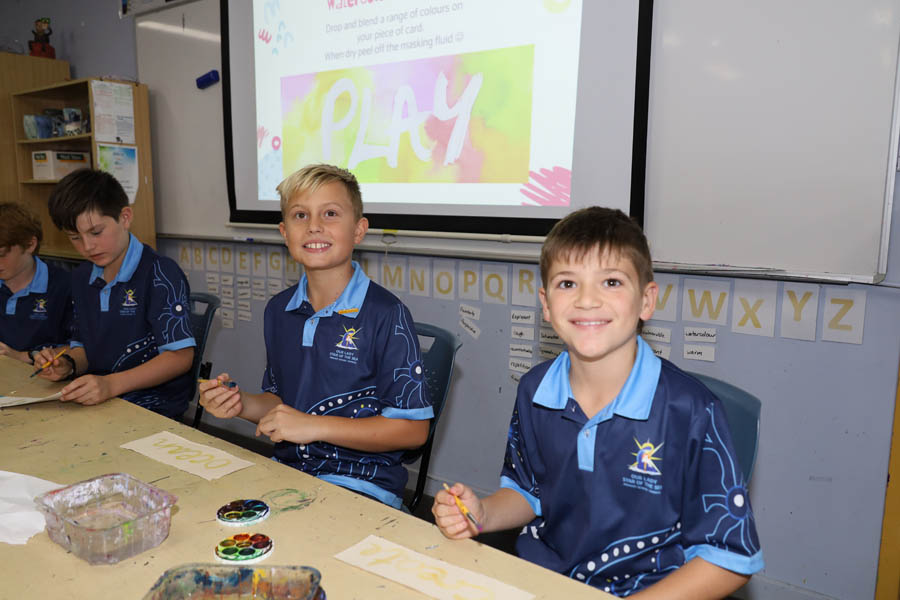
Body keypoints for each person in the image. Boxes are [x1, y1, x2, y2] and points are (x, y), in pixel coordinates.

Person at [432, 207, 764, 598]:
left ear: (646, 300)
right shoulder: (536, 389)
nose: (587, 300)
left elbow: (729, 559)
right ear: (546, 304)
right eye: (568, 283)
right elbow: (529, 491)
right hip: (543, 581)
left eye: (611, 281)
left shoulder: (691, 410)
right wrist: (483, 514)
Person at [199, 164, 432, 510]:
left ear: (358, 230)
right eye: (300, 215)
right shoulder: (279, 310)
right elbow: (281, 403)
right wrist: (239, 403)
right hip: (288, 473)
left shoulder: (386, 314)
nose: (314, 226)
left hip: (361, 484)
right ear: (284, 232)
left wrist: (314, 426)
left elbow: (413, 431)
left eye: (330, 213)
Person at [35, 169, 195, 419]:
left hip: (154, 409)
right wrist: (67, 364)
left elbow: (180, 357)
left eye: (96, 232)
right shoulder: (81, 277)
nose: (87, 246)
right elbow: (85, 348)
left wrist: (111, 385)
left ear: (125, 217)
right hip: (99, 401)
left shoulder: (160, 273)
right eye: (75, 238)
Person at [0, 202, 72, 364]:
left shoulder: (66, 286)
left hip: (41, 376)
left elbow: (81, 349)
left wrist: (20, 356)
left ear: (30, 244)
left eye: (1, 254)